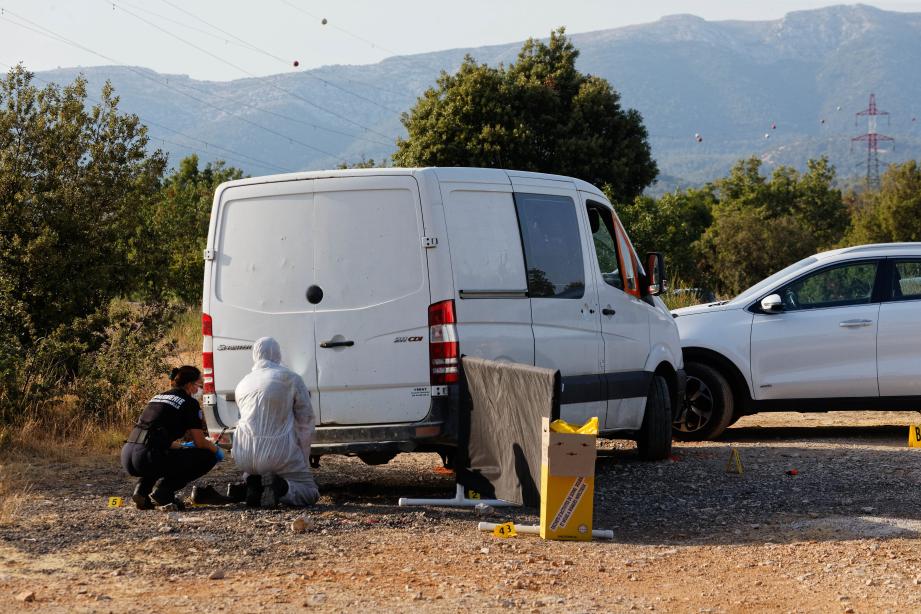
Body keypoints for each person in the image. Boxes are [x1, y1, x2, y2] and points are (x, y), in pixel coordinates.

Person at [231, 337, 319, 507]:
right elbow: (305, 422)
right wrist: (303, 457)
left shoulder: (242, 383)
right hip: (279, 455)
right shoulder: (290, 378)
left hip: (244, 458)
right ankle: (280, 487)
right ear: (278, 354)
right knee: (310, 493)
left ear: (255, 355)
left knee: (259, 471)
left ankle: (254, 484)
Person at [121, 366, 223, 510]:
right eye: (200, 386)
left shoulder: (158, 397)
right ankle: (164, 492)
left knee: (162, 454)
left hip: (128, 455)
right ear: (189, 385)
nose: (201, 390)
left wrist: (181, 446)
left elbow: (154, 434)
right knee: (208, 456)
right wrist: (216, 450)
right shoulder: (190, 403)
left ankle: (141, 492)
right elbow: (200, 442)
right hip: (148, 457)